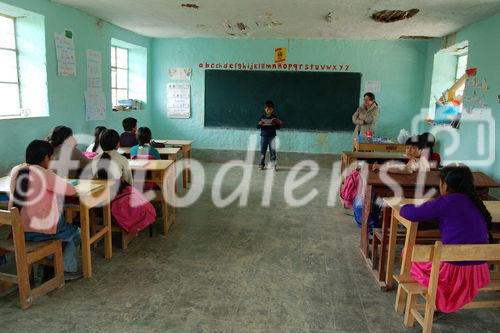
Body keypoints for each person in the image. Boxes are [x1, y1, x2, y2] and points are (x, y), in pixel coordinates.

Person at [399, 164, 492, 313]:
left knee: (407, 252)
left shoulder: (445, 202)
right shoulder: (476, 203)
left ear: (444, 185)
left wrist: (405, 206)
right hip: (478, 272)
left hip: (453, 273)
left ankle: (437, 301)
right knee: (435, 254)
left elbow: (409, 213)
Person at [9, 140, 82, 280]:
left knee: (61, 227)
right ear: (45, 158)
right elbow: (71, 191)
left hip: (19, 229)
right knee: (75, 233)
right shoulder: (45, 174)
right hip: (40, 230)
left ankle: (49, 261)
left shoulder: (16, 170)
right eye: (51, 157)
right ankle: (67, 270)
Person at [257, 100, 283, 170]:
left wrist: (275, 124)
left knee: (273, 151)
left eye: (270, 109)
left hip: (272, 136)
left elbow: (278, 127)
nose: (269, 110)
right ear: (265, 109)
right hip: (264, 137)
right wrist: (259, 124)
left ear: (273, 109)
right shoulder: (262, 117)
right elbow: (257, 127)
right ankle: (261, 164)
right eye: (267, 109)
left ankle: (273, 165)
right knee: (263, 151)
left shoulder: (274, 117)